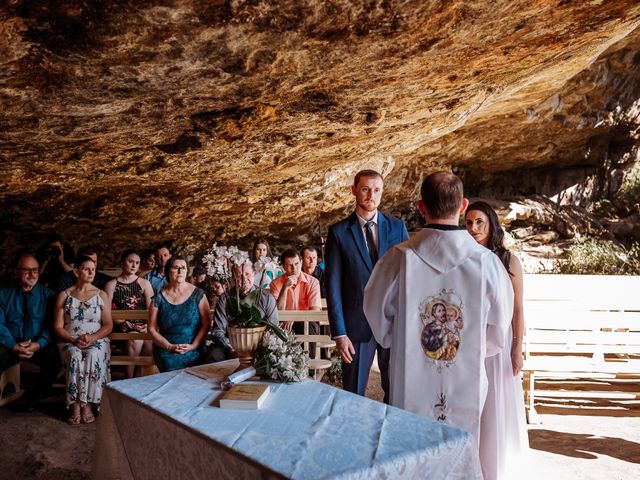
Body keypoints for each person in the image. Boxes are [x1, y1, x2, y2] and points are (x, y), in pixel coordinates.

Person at [363, 172, 514, 479]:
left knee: (409, 454)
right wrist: (473, 348)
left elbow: (376, 314)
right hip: (467, 377)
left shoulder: (397, 259)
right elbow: (500, 328)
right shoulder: (486, 262)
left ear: (421, 206)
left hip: (410, 376)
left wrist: (401, 340)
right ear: (463, 206)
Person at [325, 169, 409, 403]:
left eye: (377, 190)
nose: (371, 195)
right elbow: (333, 286)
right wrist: (340, 332)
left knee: (396, 393)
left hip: (393, 323)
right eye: (365, 189)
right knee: (354, 395)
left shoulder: (397, 228)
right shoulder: (339, 232)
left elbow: (407, 277)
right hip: (356, 327)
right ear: (354, 191)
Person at [465, 200, 530, 478]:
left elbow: (518, 308)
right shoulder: (464, 257)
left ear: (491, 224)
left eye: (479, 221)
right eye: (468, 223)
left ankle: (497, 469)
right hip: (470, 342)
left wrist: (517, 347)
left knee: (496, 407)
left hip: (500, 343)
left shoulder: (508, 260)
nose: (473, 227)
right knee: (472, 408)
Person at [53, 255, 113, 425]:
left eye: (93, 269)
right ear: (76, 271)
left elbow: (108, 325)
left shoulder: (101, 295)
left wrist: (92, 337)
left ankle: (87, 405)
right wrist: (73, 340)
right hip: (70, 340)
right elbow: (58, 327)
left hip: (96, 340)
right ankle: (74, 404)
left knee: (93, 354)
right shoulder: (64, 296)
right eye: (86, 269)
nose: (91, 272)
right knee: (74, 356)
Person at [0, 254, 61, 410]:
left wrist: (38, 344)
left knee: (55, 361)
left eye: (35, 270)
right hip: (10, 343)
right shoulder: (3, 294)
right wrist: (13, 345)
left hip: (36, 343)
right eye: (26, 270)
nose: (32, 274)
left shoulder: (49, 296)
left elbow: (52, 326)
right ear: (17, 271)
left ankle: (33, 397)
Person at [206, 262, 279, 362]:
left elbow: (273, 328)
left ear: (254, 273)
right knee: (214, 355)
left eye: (247, 274)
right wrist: (230, 347)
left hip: (258, 346)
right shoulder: (225, 298)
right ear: (233, 278)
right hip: (231, 346)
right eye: (239, 275)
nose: (244, 279)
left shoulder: (266, 298)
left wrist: (260, 347)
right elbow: (218, 330)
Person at [148, 256, 209, 372]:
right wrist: (169, 347)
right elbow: (151, 329)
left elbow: (206, 325)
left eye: (183, 268)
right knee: (168, 365)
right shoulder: (158, 298)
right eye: (176, 268)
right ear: (168, 271)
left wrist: (193, 346)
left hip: (194, 348)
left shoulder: (198, 294)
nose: (180, 271)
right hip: (166, 350)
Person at [104, 249, 154, 378]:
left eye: (137, 263)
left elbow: (152, 309)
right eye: (130, 261)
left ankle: (139, 378)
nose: (134, 265)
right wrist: (125, 323)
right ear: (122, 262)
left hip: (143, 325)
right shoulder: (111, 285)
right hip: (120, 325)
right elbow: (107, 311)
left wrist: (148, 326)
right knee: (135, 339)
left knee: (150, 343)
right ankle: (129, 377)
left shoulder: (145, 284)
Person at [270, 250, 322, 350]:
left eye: (297, 264)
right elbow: (277, 312)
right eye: (290, 265)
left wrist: (294, 317)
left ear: (301, 263)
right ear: (283, 267)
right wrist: (285, 287)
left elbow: (314, 312)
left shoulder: (313, 282)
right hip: (283, 324)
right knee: (276, 330)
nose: (294, 268)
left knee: (306, 326)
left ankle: (308, 364)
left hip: (307, 323)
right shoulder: (275, 284)